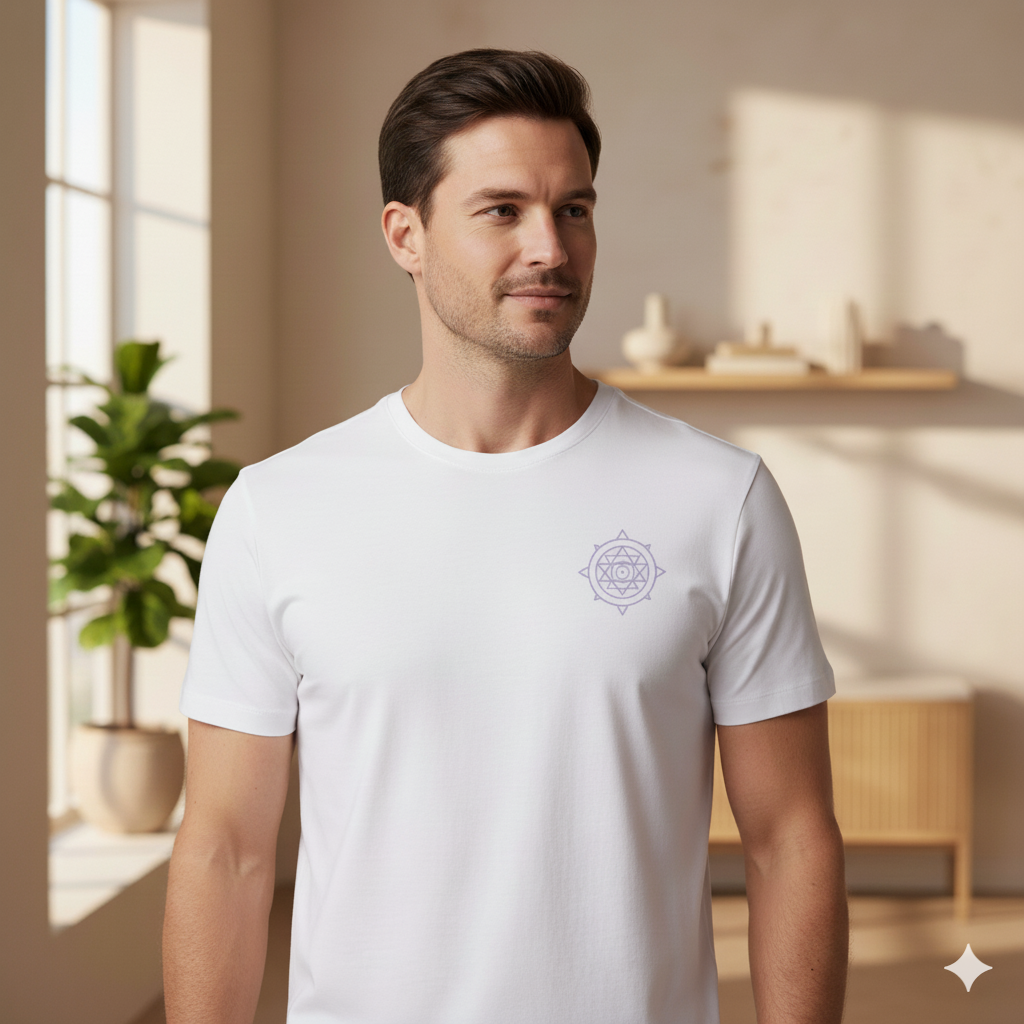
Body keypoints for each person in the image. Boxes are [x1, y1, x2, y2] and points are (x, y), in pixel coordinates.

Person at [164, 49, 848, 1024]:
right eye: (502, 211)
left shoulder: (717, 497)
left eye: (574, 209)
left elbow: (792, 838)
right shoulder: (281, 508)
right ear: (405, 234)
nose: (551, 249)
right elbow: (226, 846)